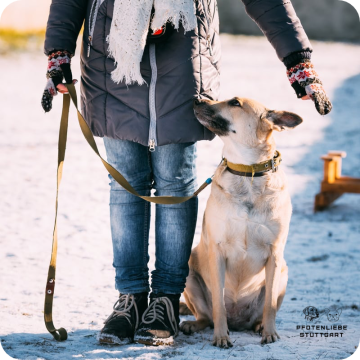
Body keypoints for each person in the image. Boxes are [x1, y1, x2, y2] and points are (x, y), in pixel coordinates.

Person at [42, 0, 332, 347]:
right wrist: (59, 51)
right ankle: (130, 298)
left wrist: (297, 59)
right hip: (113, 65)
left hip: (184, 64)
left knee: (175, 184)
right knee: (125, 187)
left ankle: (166, 298)